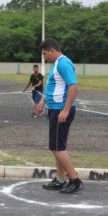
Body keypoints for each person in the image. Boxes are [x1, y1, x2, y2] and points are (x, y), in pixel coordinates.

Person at [36, 38, 83, 194]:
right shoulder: (56, 64)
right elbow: (53, 86)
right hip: (54, 108)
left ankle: (75, 180)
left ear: (52, 50)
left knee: (57, 147)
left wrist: (66, 109)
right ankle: (60, 179)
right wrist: (43, 100)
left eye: (44, 54)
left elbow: (73, 85)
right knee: (57, 146)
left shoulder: (63, 63)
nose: (44, 57)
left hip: (60, 110)